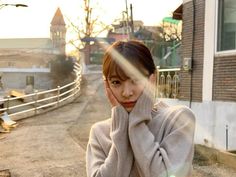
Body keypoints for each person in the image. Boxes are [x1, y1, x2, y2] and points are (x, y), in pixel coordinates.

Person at [86, 40, 195, 177]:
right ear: (107, 85)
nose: (126, 93)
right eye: (116, 82)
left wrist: (137, 122)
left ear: (152, 79)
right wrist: (120, 131)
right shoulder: (99, 132)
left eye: (135, 79)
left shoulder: (178, 119)